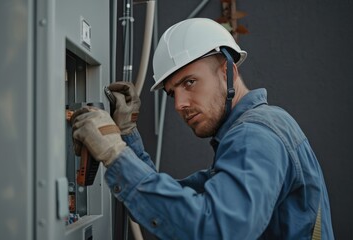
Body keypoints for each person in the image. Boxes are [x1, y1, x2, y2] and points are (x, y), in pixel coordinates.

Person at [71, 18, 334, 239]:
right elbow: (175, 207)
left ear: (226, 71)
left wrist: (115, 154)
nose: (180, 105)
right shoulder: (260, 127)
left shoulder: (255, 135)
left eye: (190, 82)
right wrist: (126, 135)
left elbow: (216, 229)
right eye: (172, 93)